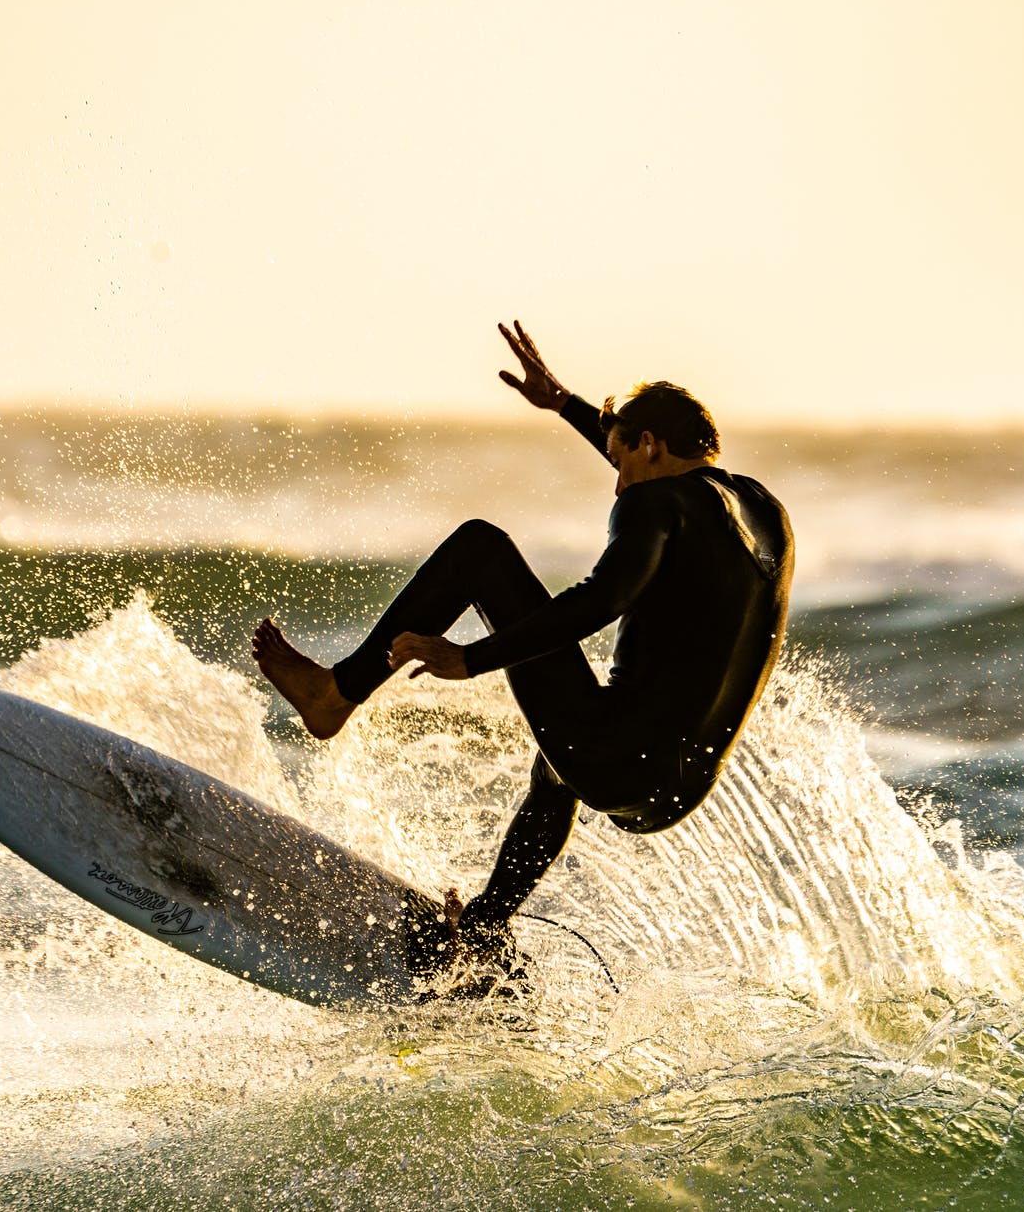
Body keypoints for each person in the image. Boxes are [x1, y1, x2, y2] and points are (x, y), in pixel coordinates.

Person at [252, 320, 793, 970]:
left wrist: (468, 658)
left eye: (620, 461)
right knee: (558, 759)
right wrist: (563, 401)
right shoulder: (764, 515)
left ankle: (332, 693)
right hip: (674, 789)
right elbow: (672, 488)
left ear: (650, 446)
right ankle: (481, 929)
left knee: (481, 548)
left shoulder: (652, 505)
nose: (617, 483)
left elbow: (600, 600)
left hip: (613, 755)